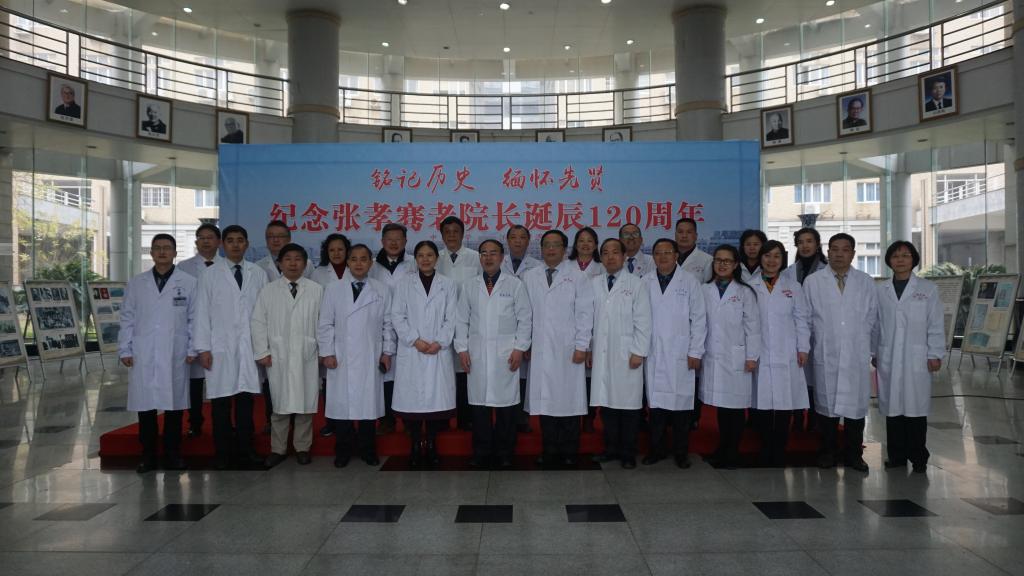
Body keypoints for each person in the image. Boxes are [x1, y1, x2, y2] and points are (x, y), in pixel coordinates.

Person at [118, 234, 197, 473]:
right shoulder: (137, 283)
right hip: (144, 351)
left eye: (167, 248)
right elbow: (127, 317)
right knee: (146, 406)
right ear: (151, 253)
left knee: (174, 405)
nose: (162, 252)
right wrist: (125, 348)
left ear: (175, 253)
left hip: (176, 351)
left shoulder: (189, 282)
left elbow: (194, 318)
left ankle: (173, 454)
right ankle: (148, 455)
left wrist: (192, 347)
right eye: (158, 248)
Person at [192, 225, 267, 470]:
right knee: (221, 404)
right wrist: (203, 348)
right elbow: (201, 313)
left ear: (247, 244)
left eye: (240, 240)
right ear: (222, 245)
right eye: (231, 240)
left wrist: (263, 347)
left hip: (249, 347)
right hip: (219, 348)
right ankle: (222, 454)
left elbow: (264, 313)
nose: (235, 245)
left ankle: (246, 451)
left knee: (246, 403)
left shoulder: (258, 273)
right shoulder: (210, 275)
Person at [455, 239, 532, 469]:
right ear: (479, 257)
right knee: (479, 408)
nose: (488, 257)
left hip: (506, 355)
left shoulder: (515, 285)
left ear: (502, 257)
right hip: (477, 355)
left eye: (493, 253)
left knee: (507, 407)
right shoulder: (470, 286)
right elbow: (461, 320)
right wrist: (462, 349)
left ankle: (505, 452)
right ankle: (481, 452)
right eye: (484, 253)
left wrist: (520, 348)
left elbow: (525, 319)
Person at [803, 233, 877, 472]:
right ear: (827, 252)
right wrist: (804, 348)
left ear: (853, 254)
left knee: (856, 409)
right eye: (834, 249)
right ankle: (828, 452)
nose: (839, 254)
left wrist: (871, 348)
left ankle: (855, 455)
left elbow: (873, 318)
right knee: (826, 407)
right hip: (826, 352)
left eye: (845, 250)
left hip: (856, 352)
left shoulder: (865, 281)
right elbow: (805, 319)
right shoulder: (813, 282)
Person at [318, 244, 395, 468]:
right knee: (342, 406)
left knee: (368, 407)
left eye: (363, 259)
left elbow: (388, 324)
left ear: (371, 262)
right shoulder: (333, 289)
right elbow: (325, 323)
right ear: (348, 262)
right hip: (340, 356)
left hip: (370, 355)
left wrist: (387, 352)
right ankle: (343, 450)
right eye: (354, 259)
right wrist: (327, 352)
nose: (359, 263)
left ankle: (367, 450)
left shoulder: (381, 289)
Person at [524, 230, 594, 465]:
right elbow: (525, 315)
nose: (551, 249)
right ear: (541, 249)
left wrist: (582, 346)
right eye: (547, 245)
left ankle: (569, 451)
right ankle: (549, 450)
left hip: (568, 349)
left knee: (569, 402)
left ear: (565, 249)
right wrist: (526, 343)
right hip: (541, 349)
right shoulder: (530, 276)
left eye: (556, 245)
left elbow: (585, 314)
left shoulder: (577, 277)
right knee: (546, 402)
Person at [874, 241, 944, 473]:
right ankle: (896, 456)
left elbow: (935, 323)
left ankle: (918, 457)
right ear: (889, 260)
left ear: (914, 259)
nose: (900, 260)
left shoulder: (927, 288)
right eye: (896, 256)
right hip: (889, 354)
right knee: (893, 408)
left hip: (917, 357)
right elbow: (875, 324)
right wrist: (874, 351)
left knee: (915, 409)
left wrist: (935, 353)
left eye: (905, 255)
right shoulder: (881, 290)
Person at [251, 243, 324, 467]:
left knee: (305, 405)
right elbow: (258, 322)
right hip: (278, 355)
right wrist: (262, 351)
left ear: (305, 263)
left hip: (306, 354)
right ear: (279, 263)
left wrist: (323, 350)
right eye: (288, 259)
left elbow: (323, 324)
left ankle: (302, 447)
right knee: (279, 406)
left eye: (298, 259)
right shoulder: (269, 290)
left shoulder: (316, 290)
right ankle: (278, 449)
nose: (293, 263)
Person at [392, 240, 458, 466]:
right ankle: (414, 445)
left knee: (434, 405)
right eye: (420, 255)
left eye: (430, 255)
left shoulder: (448, 284)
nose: (425, 259)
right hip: (412, 350)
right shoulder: (404, 284)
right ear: (415, 258)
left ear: (436, 258)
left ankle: (430, 444)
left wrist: (439, 342)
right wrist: (414, 340)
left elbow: (452, 317)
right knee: (412, 404)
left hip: (438, 351)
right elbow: (397, 316)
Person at [642, 239, 706, 469]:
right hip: (653, 351)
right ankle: (656, 450)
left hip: (681, 352)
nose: (663, 257)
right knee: (656, 407)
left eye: (667, 252)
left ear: (676, 255)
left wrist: (696, 351)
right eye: (658, 253)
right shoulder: (645, 281)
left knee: (681, 407)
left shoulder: (689, 282)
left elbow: (699, 319)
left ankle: (681, 452)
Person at [589, 238, 651, 469]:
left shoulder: (636, 284)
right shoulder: (594, 283)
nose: (610, 256)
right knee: (607, 404)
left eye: (615, 252)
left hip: (628, 354)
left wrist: (638, 351)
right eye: (605, 253)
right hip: (602, 352)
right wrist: (588, 347)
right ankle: (611, 449)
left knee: (629, 406)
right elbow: (587, 319)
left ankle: (628, 452)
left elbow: (644, 321)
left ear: (625, 256)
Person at [747, 240, 810, 467]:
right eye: (767, 256)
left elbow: (802, 319)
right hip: (760, 352)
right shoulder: (750, 286)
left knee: (784, 404)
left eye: (776, 256)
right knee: (761, 404)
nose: (771, 260)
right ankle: (765, 449)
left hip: (787, 352)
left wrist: (803, 348)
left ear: (783, 259)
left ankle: (780, 450)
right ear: (760, 258)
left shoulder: (793, 287)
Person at [701, 244, 760, 469]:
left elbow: (753, 327)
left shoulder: (745, 292)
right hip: (714, 355)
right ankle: (723, 448)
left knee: (735, 408)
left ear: (736, 264)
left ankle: (732, 452)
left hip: (738, 357)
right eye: (718, 260)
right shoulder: (704, 290)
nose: (722, 264)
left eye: (727, 261)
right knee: (721, 407)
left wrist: (752, 356)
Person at [255, 220, 313, 430]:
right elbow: (259, 318)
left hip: (303, 344)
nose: (275, 240)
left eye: (280, 236)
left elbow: (314, 308)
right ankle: (274, 434)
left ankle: (300, 440)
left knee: (303, 393)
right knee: (276, 392)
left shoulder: (311, 274)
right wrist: (262, 349)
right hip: (277, 343)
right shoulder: (259, 271)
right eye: (271, 236)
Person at [369, 223, 416, 435]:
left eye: (399, 239)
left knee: (407, 376)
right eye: (390, 239)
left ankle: (409, 420)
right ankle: (386, 419)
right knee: (384, 376)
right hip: (380, 327)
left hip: (409, 326)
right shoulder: (371, 267)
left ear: (405, 241)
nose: (394, 243)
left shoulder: (414, 263)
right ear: (382, 241)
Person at [436, 216, 482, 431]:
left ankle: (466, 418)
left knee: (465, 372)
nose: (452, 235)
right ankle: (442, 418)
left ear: (463, 234)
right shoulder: (435, 258)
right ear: (442, 235)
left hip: (469, 323)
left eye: (456, 231)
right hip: (440, 324)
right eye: (447, 231)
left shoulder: (476, 258)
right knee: (443, 373)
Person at [177, 223, 223, 438]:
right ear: (196, 242)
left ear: (218, 242)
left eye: (210, 237)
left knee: (220, 381)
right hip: (193, 328)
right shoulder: (183, 267)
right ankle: (195, 421)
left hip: (221, 331)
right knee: (195, 382)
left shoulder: (227, 266)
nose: (205, 241)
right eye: (201, 237)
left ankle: (221, 422)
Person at [781, 227, 828, 432]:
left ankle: (816, 419)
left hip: (820, 331)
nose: (805, 246)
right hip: (795, 332)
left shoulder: (826, 272)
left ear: (817, 245)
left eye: (809, 241)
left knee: (817, 379)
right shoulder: (788, 272)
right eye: (801, 242)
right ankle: (798, 417)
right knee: (798, 377)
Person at [500, 224, 541, 434]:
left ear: (528, 241)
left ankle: (521, 418)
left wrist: (529, 339)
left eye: (522, 237)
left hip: (527, 326)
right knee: (504, 374)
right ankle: (504, 418)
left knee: (523, 375)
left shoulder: (537, 266)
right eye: (513, 237)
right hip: (502, 329)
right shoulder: (499, 262)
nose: (518, 241)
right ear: (507, 241)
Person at [569, 226, 604, 432]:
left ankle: (590, 417)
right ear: (575, 244)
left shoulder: (602, 268)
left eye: (590, 240)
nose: (585, 244)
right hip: (567, 329)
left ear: (596, 245)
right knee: (570, 376)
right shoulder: (565, 267)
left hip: (596, 328)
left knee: (590, 377)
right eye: (581, 240)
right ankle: (572, 416)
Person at [675, 218, 713, 282]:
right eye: (680, 232)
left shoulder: (708, 260)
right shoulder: (666, 258)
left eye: (689, 232)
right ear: (675, 235)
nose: (684, 236)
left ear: (696, 236)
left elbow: (709, 286)